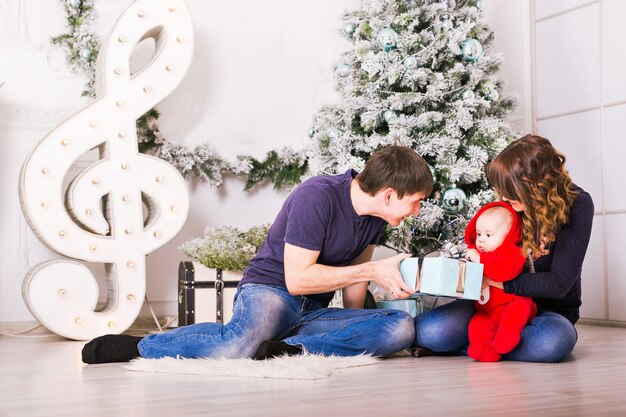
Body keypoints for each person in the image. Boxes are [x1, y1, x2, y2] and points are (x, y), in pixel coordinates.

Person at [82, 145, 433, 363]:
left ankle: (289, 349)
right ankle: (142, 347)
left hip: (313, 311)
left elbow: (354, 287)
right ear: (389, 195)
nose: (416, 211)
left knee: (400, 328)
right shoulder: (319, 196)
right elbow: (297, 280)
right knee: (238, 346)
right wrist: (371, 271)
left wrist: (357, 325)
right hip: (272, 291)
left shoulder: (376, 218)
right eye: (414, 202)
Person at [413, 134, 594, 363]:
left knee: (552, 342)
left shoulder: (577, 204)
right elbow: (478, 243)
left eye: (512, 189)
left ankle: (474, 346)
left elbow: (558, 285)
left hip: (547, 312)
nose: (505, 197)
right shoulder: (508, 206)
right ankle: (487, 343)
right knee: (431, 332)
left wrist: (495, 281)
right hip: (493, 304)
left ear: (537, 184)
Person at [464, 202, 537, 362]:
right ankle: (484, 350)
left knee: (517, 312)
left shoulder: (513, 253)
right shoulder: (475, 253)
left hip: (513, 303)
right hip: (488, 310)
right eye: (478, 234)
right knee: (477, 324)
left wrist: (481, 259)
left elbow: (505, 270)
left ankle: (508, 337)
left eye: (488, 235)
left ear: (508, 235)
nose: (481, 240)